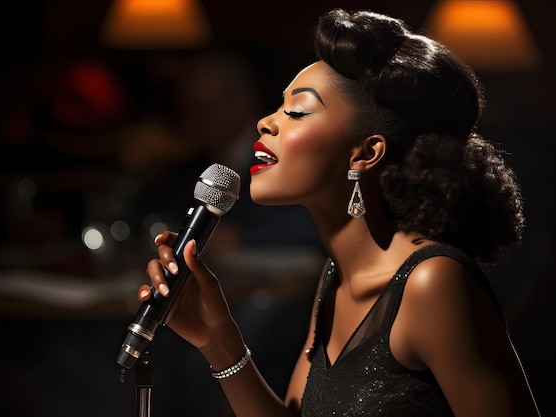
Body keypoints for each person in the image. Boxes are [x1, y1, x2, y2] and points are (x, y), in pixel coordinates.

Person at [137, 8, 541, 417]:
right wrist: (218, 341)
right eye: (278, 108)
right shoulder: (335, 278)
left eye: (296, 112)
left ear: (366, 152)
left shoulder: (432, 283)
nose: (265, 123)